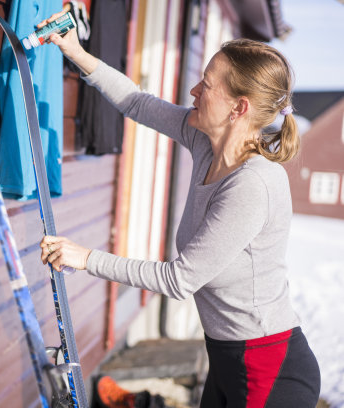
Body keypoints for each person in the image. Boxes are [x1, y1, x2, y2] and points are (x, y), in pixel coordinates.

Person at [37, 11, 321, 408]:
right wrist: (75, 52)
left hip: (267, 368)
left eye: (205, 85)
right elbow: (137, 102)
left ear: (238, 108)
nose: (193, 91)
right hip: (226, 355)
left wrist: (86, 258)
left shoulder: (253, 185)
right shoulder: (205, 140)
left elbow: (179, 280)